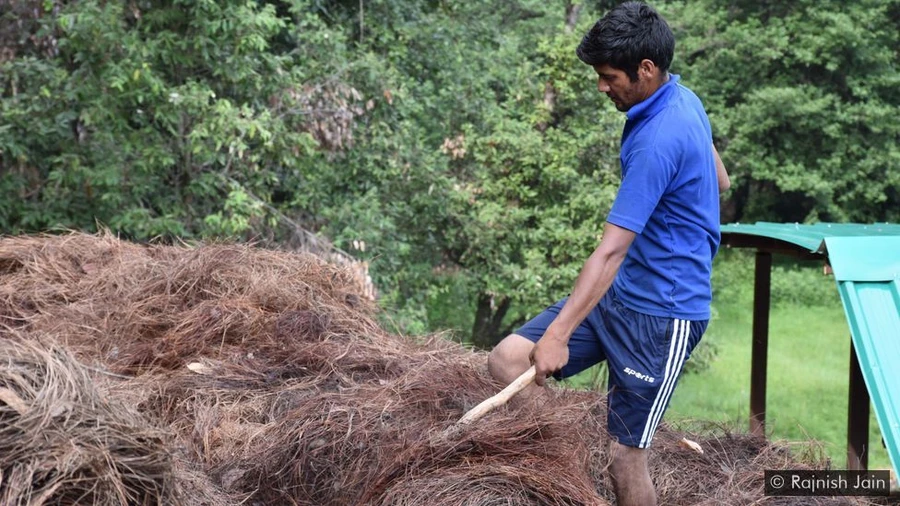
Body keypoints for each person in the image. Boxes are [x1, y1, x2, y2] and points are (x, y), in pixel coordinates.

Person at [487, 2, 729, 505]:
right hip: (620, 296)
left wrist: (559, 334)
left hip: (662, 317)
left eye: (608, 76)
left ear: (646, 69)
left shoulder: (657, 141)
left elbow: (611, 250)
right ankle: (568, 474)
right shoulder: (683, 97)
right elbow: (721, 180)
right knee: (509, 359)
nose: (602, 87)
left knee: (625, 458)